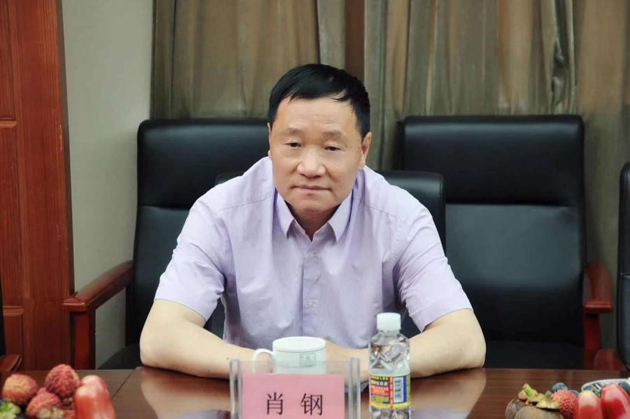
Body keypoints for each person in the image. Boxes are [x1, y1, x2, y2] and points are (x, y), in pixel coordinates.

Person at [140, 64, 485, 379]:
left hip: (364, 404)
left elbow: (464, 339)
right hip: (258, 402)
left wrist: (357, 365)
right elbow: (160, 336)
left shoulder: (400, 217)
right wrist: (273, 367)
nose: (310, 167)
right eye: (293, 143)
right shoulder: (221, 211)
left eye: (331, 148)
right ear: (270, 141)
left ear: (363, 150)